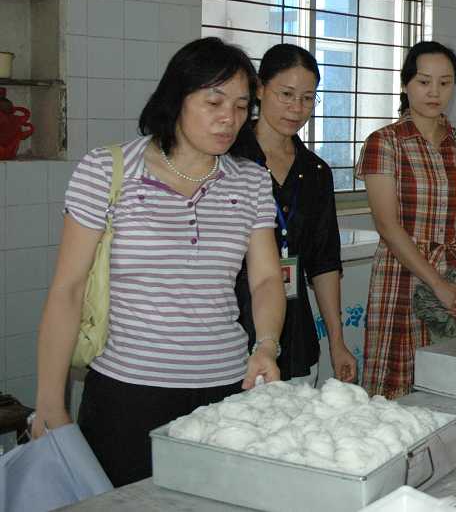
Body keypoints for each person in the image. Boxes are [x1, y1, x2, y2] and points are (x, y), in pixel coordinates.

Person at [32, 37, 286, 486]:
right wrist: (51, 402)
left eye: (241, 105)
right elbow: (68, 289)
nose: (229, 118)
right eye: (213, 102)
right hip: (127, 394)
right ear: (176, 98)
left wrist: (266, 345)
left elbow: (266, 279)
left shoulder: (250, 180)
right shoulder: (107, 171)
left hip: (228, 393)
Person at [355, 41, 456, 399]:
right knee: (396, 393)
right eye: (423, 81)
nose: (435, 92)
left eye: (445, 83)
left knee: (455, 385)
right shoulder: (384, 143)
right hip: (403, 278)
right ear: (405, 85)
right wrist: (436, 284)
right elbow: (387, 226)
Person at [231, 43, 355, 385]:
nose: (296, 108)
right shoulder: (229, 158)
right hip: (232, 331)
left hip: (297, 333)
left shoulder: (316, 172)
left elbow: (324, 263)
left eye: (307, 98)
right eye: (286, 94)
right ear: (260, 88)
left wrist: (337, 341)